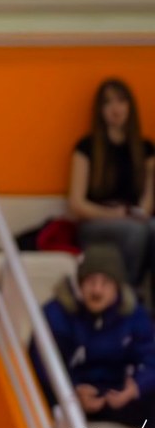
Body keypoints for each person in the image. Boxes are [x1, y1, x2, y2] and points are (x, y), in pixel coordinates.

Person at [38, 246, 155, 428]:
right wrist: (72, 392)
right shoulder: (57, 314)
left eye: (105, 283)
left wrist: (135, 387)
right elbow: (43, 365)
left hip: (114, 395)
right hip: (67, 397)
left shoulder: (132, 314)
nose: (97, 290)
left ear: (117, 287)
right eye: (91, 282)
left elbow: (150, 356)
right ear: (80, 284)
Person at [66, 80, 155, 282]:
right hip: (97, 221)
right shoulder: (86, 147)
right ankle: (128, 295)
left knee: (150, 228)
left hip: (133, 216)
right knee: (136, 231)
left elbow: (147, 206)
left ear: (129, 106)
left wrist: (150, 177)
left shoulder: (146, 148)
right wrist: (112, 214)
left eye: (121, 101)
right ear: (100, 110)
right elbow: (76, 204)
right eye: (108, 103)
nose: (116, 108)